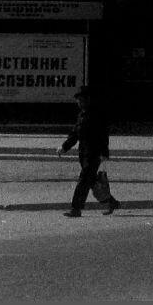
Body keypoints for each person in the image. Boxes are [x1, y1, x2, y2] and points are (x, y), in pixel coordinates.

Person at [58, 85, 120, 217]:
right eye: (78, 100)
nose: (78, 102)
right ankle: (111, 201)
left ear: (88, 99)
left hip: (94, 154)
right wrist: (64, 147)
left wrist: (104, 153)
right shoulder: (81, 115)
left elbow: (103, 135)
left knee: (83, 181)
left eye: (81, 99)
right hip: (84, 154)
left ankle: (76, 209)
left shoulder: (96, 115)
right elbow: (75, 134)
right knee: (91, 181)